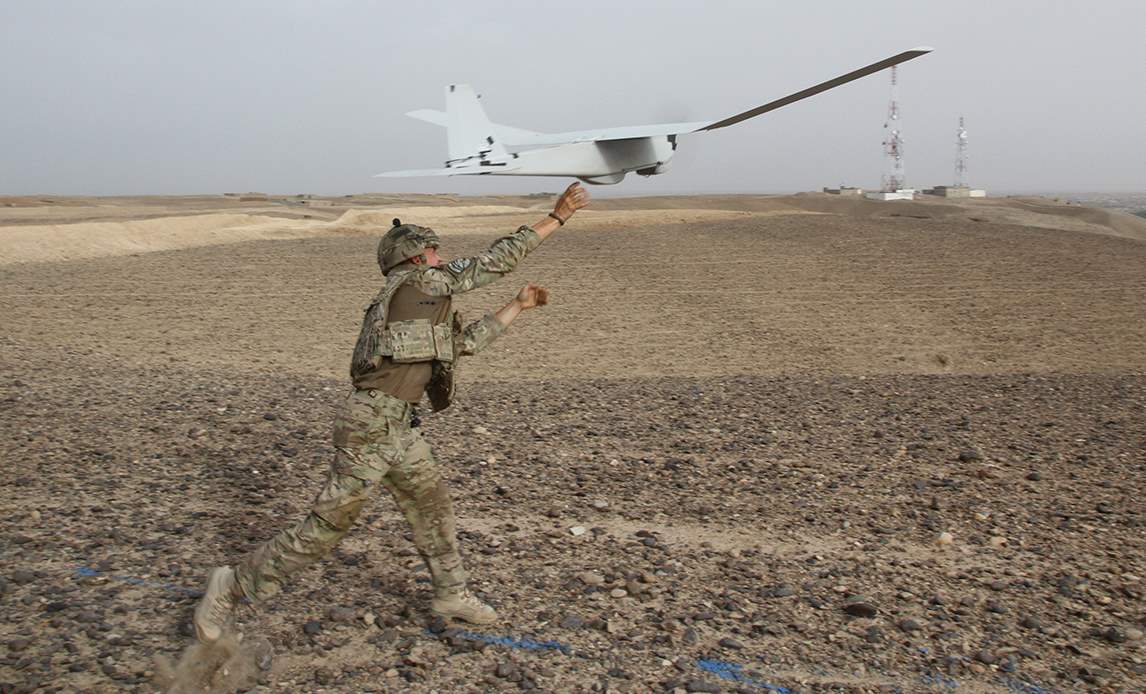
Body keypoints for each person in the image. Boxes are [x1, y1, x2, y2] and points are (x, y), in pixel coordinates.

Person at [193, 183, 591, 643]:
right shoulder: (418, 283)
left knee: (432, 506)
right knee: (326, 527)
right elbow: (491, 263)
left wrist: (518, 306)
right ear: (416, 258)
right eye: (436, 253)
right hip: (370, 425)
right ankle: (232, 586)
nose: (443, 259)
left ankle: (451, 593)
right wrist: (556, 218)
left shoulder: (419, 312)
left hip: (398, 426)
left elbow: (465, 344)